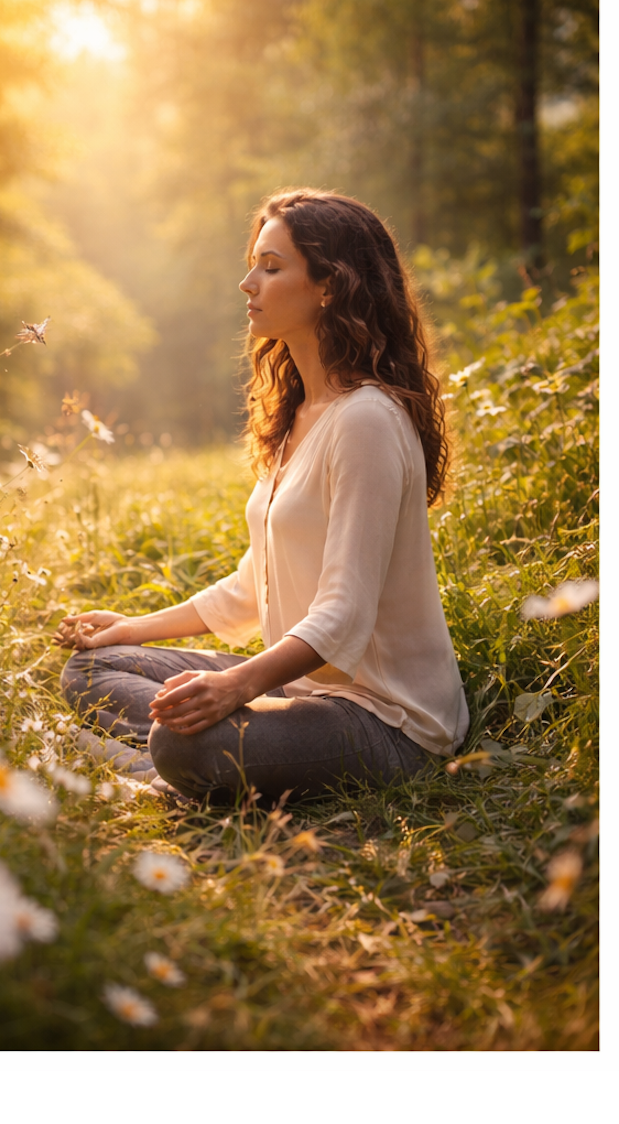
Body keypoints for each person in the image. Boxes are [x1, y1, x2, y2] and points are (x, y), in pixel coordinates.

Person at [56, 189, 469, 804]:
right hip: (300, 691)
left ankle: (147, 768)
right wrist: (130, 629)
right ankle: (159, 765)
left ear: (330, 285)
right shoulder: (298, 415)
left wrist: (238, 687)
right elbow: (255, 586)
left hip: (386, 720)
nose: (248, 283)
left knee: (183, 742)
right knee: (91, 669)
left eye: (271, 267)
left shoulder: (367, 421)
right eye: (254, 264)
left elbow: (344, 614)